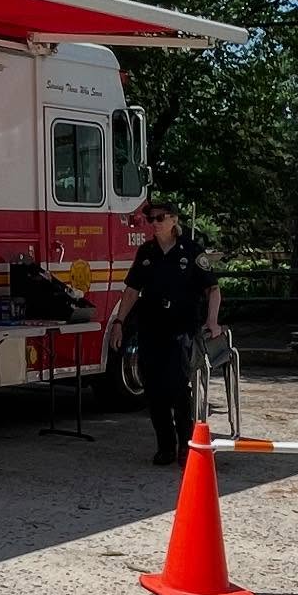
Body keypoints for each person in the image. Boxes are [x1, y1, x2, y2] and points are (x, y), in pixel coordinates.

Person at [109, 199, 222, 465]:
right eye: (151, 219)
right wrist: (119, 322)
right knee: (153, 387)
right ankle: (165, 446)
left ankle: (186, 444)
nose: (154, 224)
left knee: (177, 385)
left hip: (181, 326)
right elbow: (131, 291)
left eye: (160, 218)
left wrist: (212, 321)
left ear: (173, 220)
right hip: (151, 326)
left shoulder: (191, 250)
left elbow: (213, 290)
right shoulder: (147, 252)